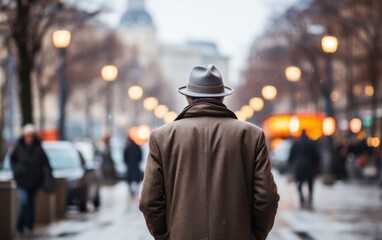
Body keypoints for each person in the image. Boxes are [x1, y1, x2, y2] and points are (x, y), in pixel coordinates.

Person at [139, 65, 279, 240]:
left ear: (188, 98)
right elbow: (267, 198)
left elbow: (149, 201)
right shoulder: (252, 136)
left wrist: (165, 235)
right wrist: (254, 235)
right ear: (221, 97)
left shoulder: (162, 137)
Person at [10, 124, 53, 233]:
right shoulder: (19, 147)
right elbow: (12, 160)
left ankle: (29, 226)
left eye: (30, 136)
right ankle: (20, 225)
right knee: (23, 201)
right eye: (26, 136)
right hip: (22, 181)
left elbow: (46, 164)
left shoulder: (38, 148)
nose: (28, 138)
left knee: (31, 204)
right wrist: (17, 170)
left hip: (35, 182)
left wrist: (47, 178)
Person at [288, 130, 320, 209]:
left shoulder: (296, 143)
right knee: (310, 183)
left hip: (299, 166)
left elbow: (291, 155)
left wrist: (290, 164)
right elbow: (316, 155)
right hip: (309, 166)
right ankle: (310, 197)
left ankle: (301, 197)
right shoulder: (311, 143)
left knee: (299, 183)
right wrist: (316, 165)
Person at [123, 136, 143, 200]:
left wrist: (127, 163)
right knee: (137, 179)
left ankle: (131, 193)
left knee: (130, 180)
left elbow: (124, 157)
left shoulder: (127, 147)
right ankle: (135, 192)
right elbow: (140, 156)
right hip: (136, 165)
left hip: (130, 166)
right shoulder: (137, 147)